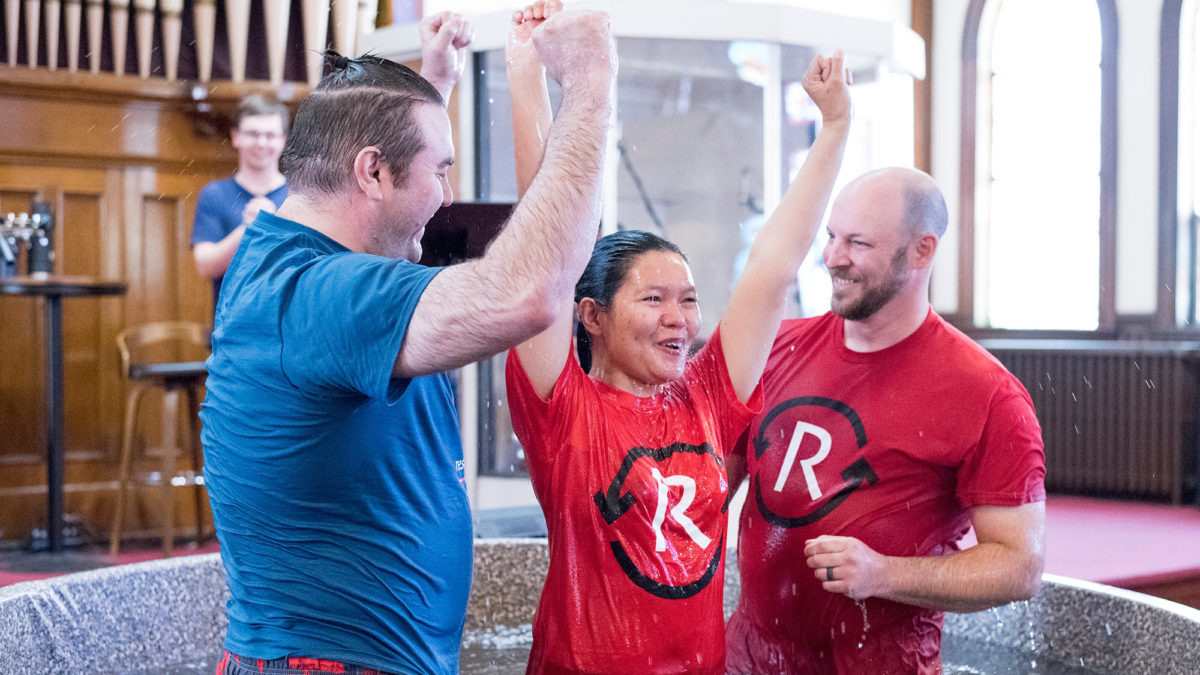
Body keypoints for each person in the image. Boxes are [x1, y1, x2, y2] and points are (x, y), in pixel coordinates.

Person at [199, 8, 617, 675]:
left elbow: (392, 186)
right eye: (440, 170)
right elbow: (532, 293)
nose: (446, 196)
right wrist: (592, 83)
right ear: (371, 172)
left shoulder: (284, 256)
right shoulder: (318, 294)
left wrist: (433, 86)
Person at [503, 3, 852, 672]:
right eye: (654, 299)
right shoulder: (563, 409)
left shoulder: (708, 397)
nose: (680, 319)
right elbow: (543, 241)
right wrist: (526, 73)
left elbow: (773, 267)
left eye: (688, 300)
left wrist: (834, 128)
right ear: (592, 316)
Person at [724, 167, 1047, 675]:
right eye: (832, 236)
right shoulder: (776, 346)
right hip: (748, 658)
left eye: (859, 243)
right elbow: (709, 488)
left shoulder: (986, 394)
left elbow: (1019, 566)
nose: (833, 257)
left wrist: (883, 574)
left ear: (921, 251)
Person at [191, 92, 290, 312]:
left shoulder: (299, 194)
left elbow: (312, 264)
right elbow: (205, 266)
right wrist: (249, 229)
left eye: (270, 135)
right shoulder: (214, 194)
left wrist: (275, 227)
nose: (262, 143)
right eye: (253, 134)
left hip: (288, 324)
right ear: (235, 137)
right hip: (230, 325)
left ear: (283, 140)